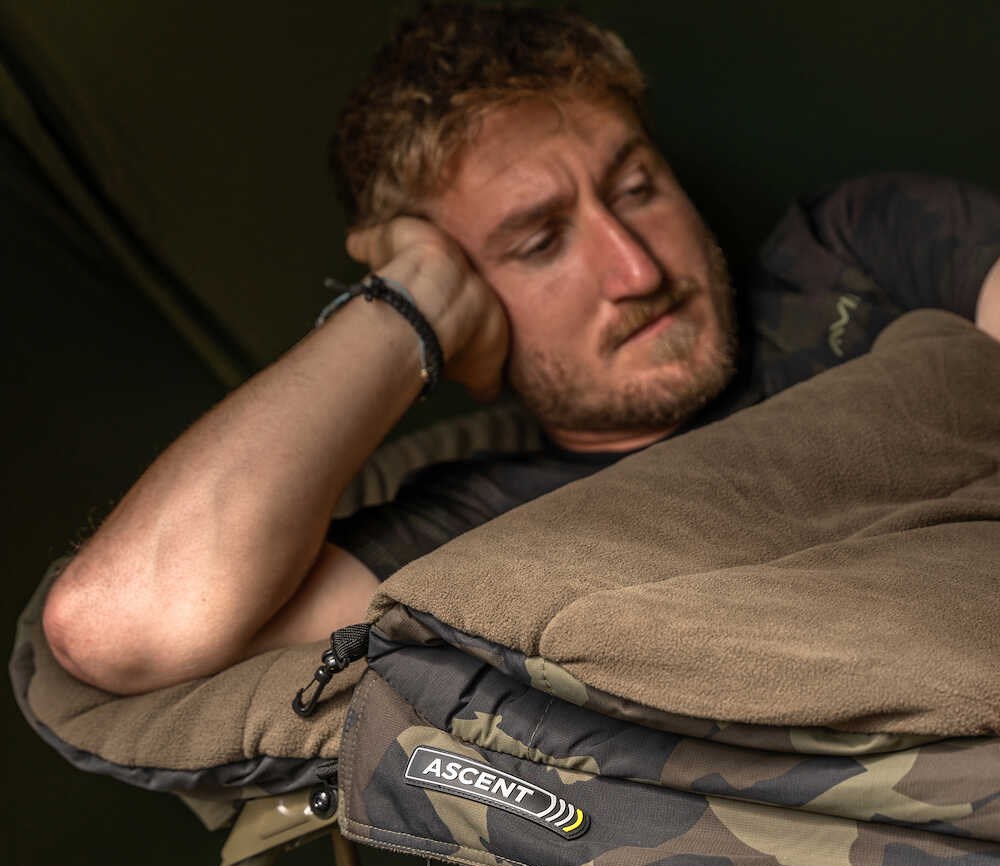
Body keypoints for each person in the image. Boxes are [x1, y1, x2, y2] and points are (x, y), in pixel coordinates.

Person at [41, 4, 1000, 697]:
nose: (635, 269)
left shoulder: (857, 249)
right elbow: (125, 625)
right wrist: (408, 305)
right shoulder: (478, 532)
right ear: (468, 300)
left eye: (637, 188)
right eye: (540, 242)